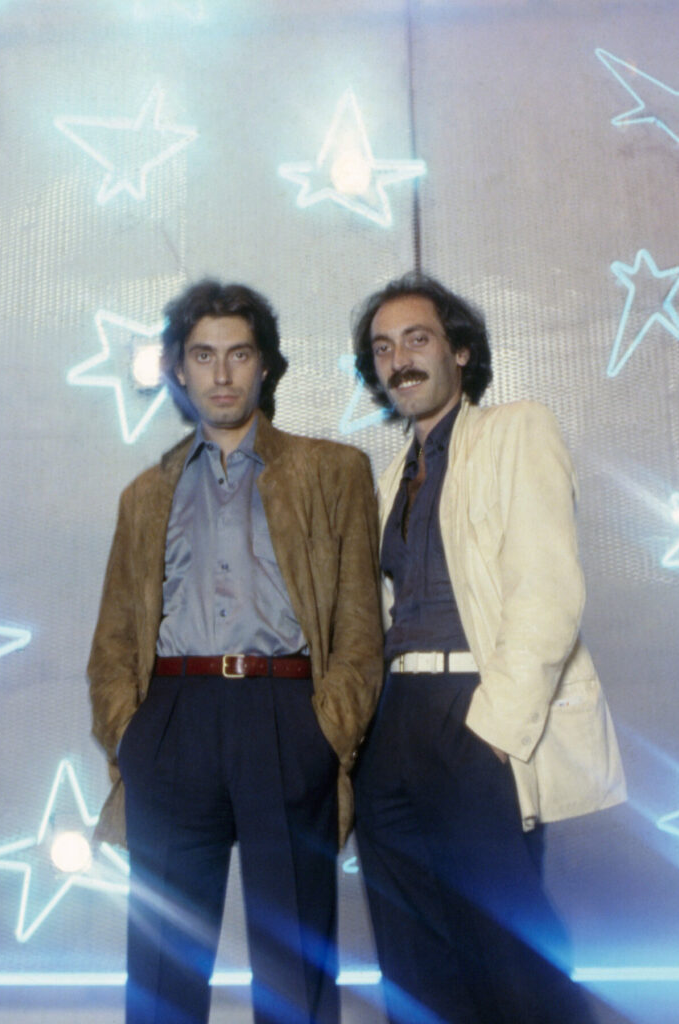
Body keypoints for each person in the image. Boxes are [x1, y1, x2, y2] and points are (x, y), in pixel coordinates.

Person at [88, 279, 382, 1024]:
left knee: (294, 960)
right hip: (172, 719)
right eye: (203, 355)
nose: (221, 374)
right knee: (162, 964)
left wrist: (324, 733)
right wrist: (131, 733)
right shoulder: (144, 494)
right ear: (178, 370)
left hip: (286, 716)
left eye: (239, 354)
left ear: (265, 365)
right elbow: (114, 638)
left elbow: (359, 628)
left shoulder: (333, 472)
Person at [350, 272, 626, 1024]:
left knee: (507, 956)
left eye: (417, 339)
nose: (400, 360)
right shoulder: (389, 478)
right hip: (394, 721)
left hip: (474, 710)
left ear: (461, 351)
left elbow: (548, 591)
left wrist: (496, 730)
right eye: (384, 348)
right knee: (412, 960)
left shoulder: (516, 430)